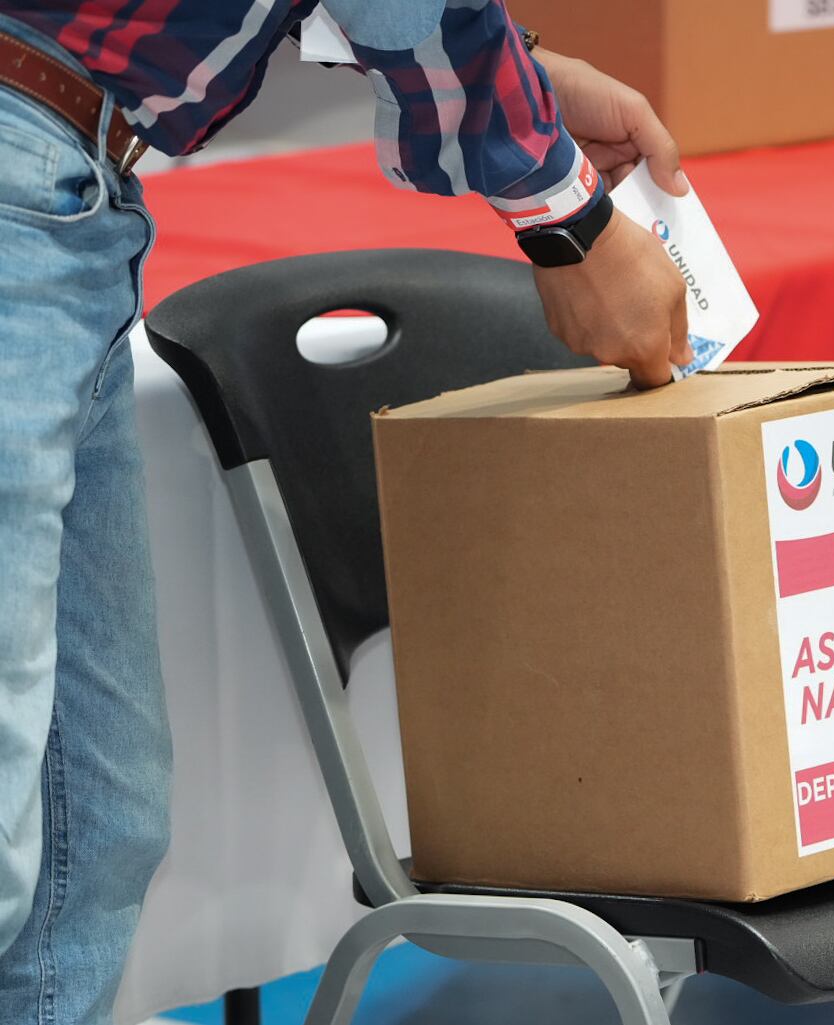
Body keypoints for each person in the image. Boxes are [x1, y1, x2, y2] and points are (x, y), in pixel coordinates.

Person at [0, 2, 690, 1020]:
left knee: (94, 827)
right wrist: (565, 212)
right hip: (31, 175)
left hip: (73, 188)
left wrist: (526, 79)